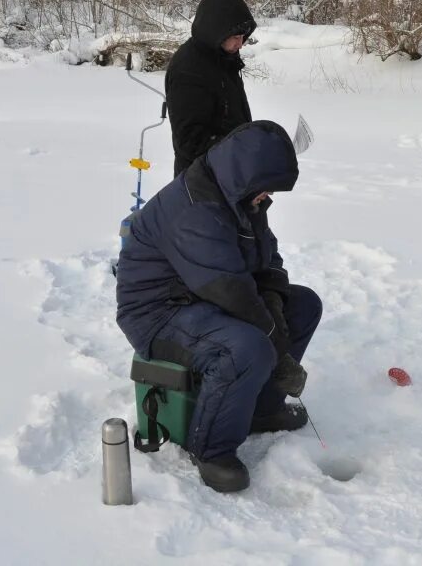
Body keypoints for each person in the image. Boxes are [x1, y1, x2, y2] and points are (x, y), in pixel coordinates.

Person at [115, 120, 322, 492]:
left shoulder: (240, 198)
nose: (268, 196)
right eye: (266, 189)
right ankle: (210, 449)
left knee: (303, 305)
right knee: (245, 347)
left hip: (203, 299)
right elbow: (232, 291)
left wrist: (275, 302)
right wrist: (278, 350)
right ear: (246, 176)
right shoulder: (195, 210)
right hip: (158, 313)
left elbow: (267, 260)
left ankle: (261, 408)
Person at [165, 0, 257, 177]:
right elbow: (190, 140)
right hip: (201, 182)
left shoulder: (222, 58)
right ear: (217, 31)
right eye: (236, 37)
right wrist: (240, 151)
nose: (240, 44)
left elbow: (229, 117)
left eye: (243, 38)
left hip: (228, 172)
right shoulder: (189, 69)